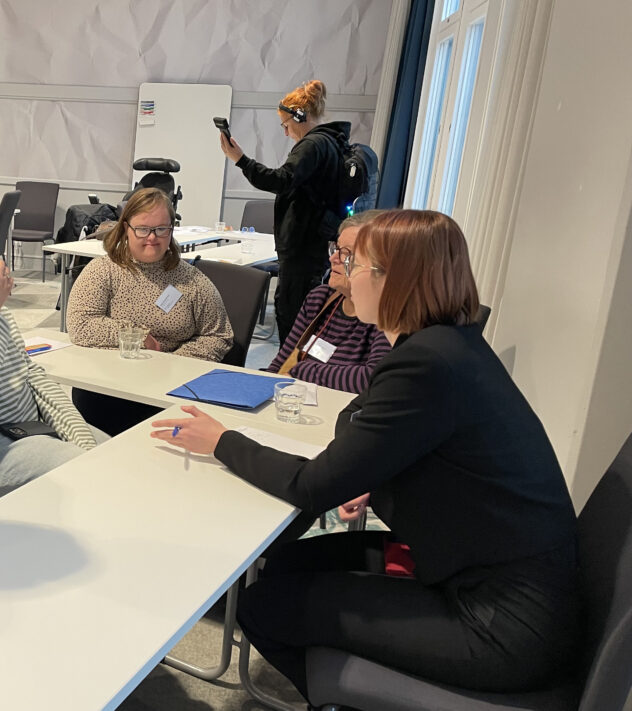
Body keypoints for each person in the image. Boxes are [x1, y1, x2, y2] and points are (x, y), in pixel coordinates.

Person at [150, 210, 579, 704]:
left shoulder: (424, 363)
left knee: (264, 604)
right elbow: (358, 419)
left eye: (356, 262)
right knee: (284, 561)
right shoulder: (445, 346)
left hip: (500, 622)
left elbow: (314, 485)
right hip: (488, 578)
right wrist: (372, 469)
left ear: (393, 280)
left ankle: (345, 699)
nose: (345, 274)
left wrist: (219, 440)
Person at [0, 259, 101, 518]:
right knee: (89, 478)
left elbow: (31, 375)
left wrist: (84, 442)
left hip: (22, 429)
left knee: (113, 457)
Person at [220, 79, 347, 345]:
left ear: (300, 117)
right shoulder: (330, 143)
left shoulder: (313, 145)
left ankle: (291, 371)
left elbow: (281, 180)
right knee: (299, 311)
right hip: (311, 243)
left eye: (286, 125)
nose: (286, 133)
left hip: (302, 246)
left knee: (292, 314)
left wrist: (241, 160)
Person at [66, 187, 233, 361]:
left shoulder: (191, 280)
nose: (152, 238)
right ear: (126, 229)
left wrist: (171, 364)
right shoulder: (102, 271)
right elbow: (81, 326)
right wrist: (138, 336)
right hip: (109, 376)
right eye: (143, 229)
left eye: (161, 229)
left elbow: (219, 336)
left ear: (171, 229)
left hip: (172, 378)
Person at [266, 210, 390, 393]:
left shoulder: (386, 314)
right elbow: (282, 363)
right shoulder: (320, 298)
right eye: (336, 249)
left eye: (347, 254)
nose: (333, 259)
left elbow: (371, 378)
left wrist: (302, 371)